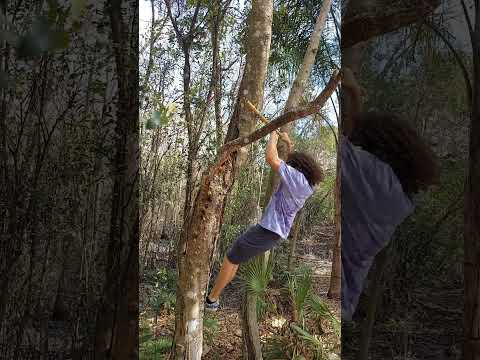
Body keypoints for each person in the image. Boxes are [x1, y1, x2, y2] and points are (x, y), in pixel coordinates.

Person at [340, 68, 439, 320]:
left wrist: (350, 88)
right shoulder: (400, 198)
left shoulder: (371, 176)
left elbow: (345, 149)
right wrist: (353, 93)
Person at [205, 130, 323, 311]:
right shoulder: (306, 183)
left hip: (269, 230)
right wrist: (288, 143)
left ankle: (212, 299)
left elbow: (271, 158)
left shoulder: (297, 180)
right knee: (234, 258)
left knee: (230, 258)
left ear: (298, 168)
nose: (288, 166)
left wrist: (273, 136)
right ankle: (214, 298)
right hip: (271, 232)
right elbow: (289, 161)